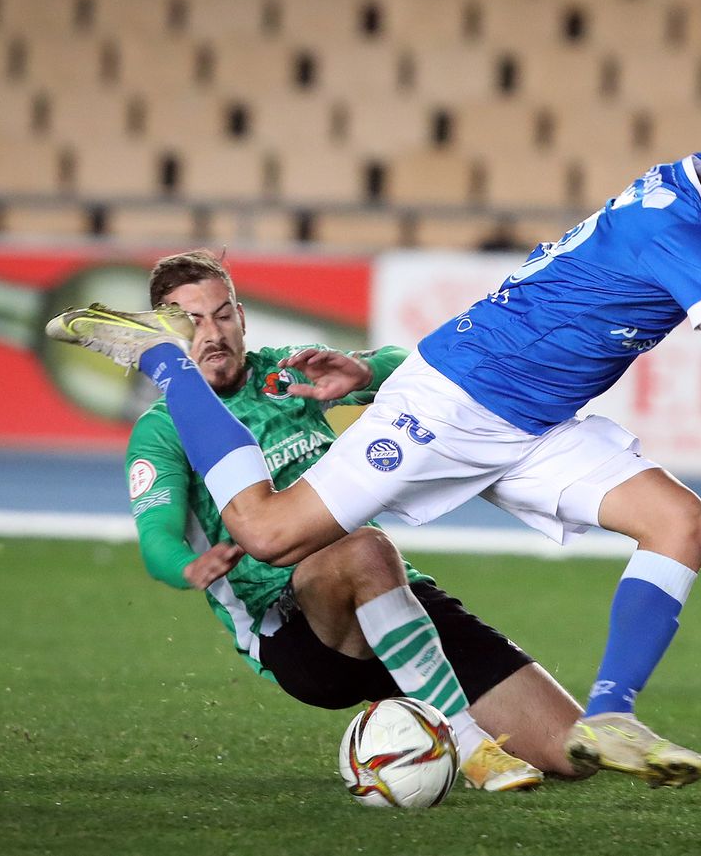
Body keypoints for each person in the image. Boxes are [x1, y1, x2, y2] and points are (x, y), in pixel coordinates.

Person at [50, 108, 701, 788]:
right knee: (268, 530)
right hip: (455, 400)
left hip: (533, 426)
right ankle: (160, 358)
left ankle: (612, 714)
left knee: (681, 523)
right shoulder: (677, 234)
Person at [123, 249, 583, 791]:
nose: (213, 333)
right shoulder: (162, 428)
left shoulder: (283, 373)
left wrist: (364, 372)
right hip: (300, 630)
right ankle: (465, 740)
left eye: (223, 314)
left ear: (242, 317)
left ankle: (418, 703)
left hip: (395, 596)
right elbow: (155, 539)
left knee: (574, 752)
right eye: (191, 320)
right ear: (162, 332)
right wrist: (187, 566)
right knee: (364, 547)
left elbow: (408, 369)